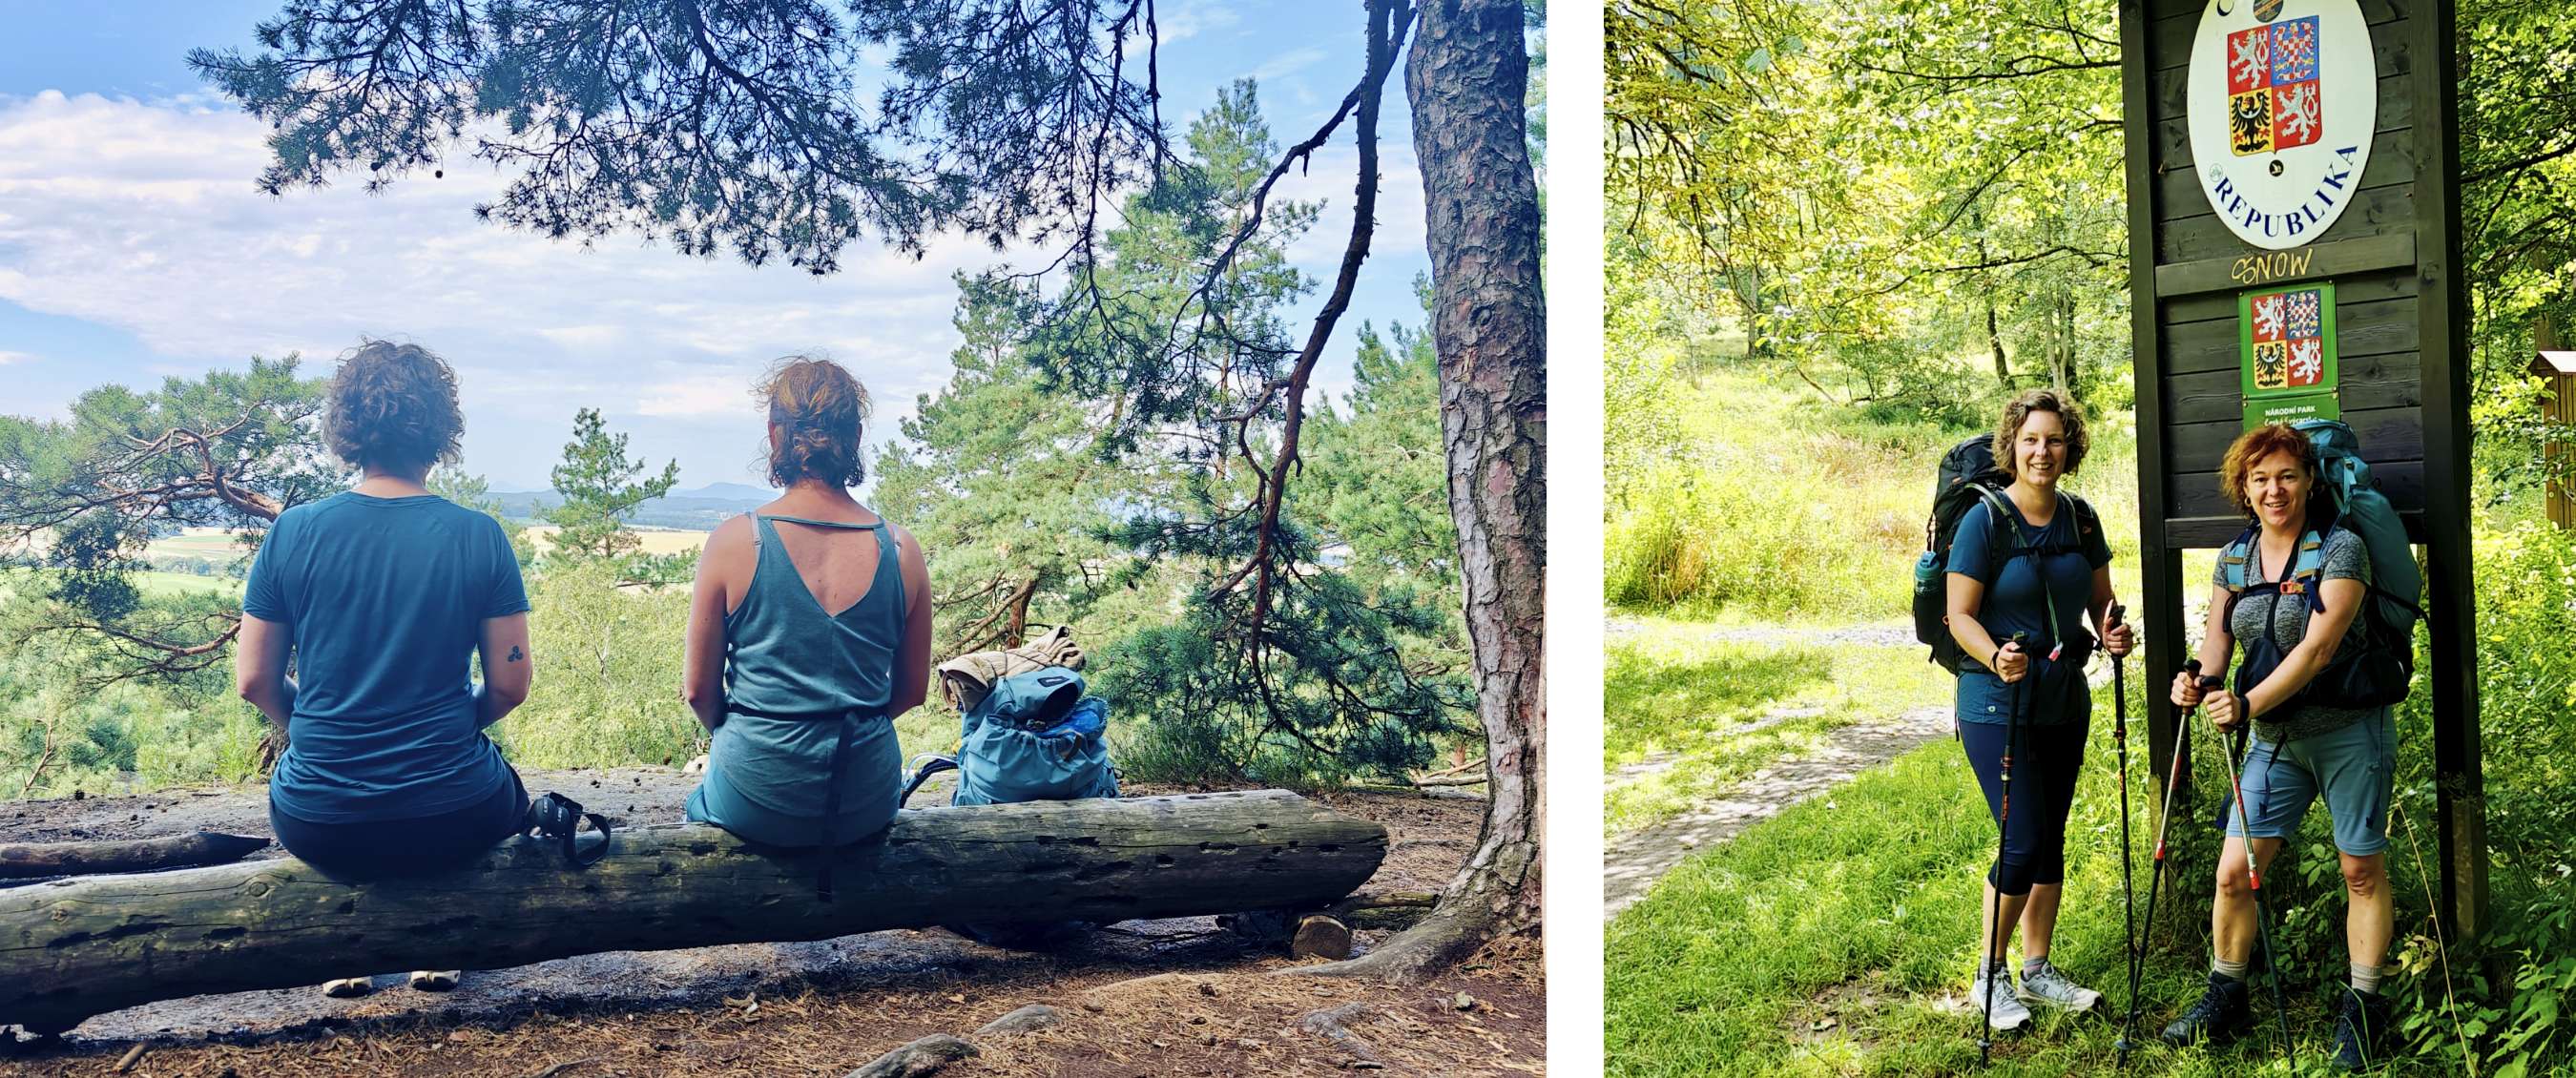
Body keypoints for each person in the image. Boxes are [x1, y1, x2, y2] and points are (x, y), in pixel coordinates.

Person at [235, 341, 533, 997]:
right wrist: (456, 724)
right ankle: (436, 944)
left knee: (363, 832)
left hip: (319, 817)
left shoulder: (293, 532)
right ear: (439, 429)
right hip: (451, 813)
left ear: (348, 431)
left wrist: (316, 727)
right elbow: (511, 685)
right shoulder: (478, 536)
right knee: (494, 795)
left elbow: (254, 680)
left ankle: (353, 949)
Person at [2164, 424, 2397, 1070]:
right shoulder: (2234, 557)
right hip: (2275, 740)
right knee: (2234, 871)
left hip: (2350, 732)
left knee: (2360, 870)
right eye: (2260, 478)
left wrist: (2245, 704)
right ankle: (2226, 997)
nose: (2275, 490)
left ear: (2309, 481)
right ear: (2243, 486)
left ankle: (2365, 1011)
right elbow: (2218, 636)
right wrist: (2203, 682)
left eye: (2287, 476)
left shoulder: (2340, 549)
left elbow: (2318, 649)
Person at [681, 357, 933, 856]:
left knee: (695, 808)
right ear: (856, 437)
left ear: (776, 436)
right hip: (865, 800)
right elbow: (910, 692)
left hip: (756, 793)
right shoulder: (903, 551)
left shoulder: (735, 542)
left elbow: (697, 692)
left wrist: (756, 744)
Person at [1944, 388, 2135, 1033]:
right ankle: (1990, 975)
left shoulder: (2080, 517)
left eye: (2054, 440)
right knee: (2020, 838)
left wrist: (2112, 633)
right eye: (2030, 439)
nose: (2042, 451)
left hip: (2062, 698)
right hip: (1996, 701)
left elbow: (2100, 604)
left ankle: (2038, 969)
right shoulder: (1985, 521)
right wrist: (1996, 655)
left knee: (2049, 837)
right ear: (2012, 446)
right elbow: (1959, 615)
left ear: (2070, 447)